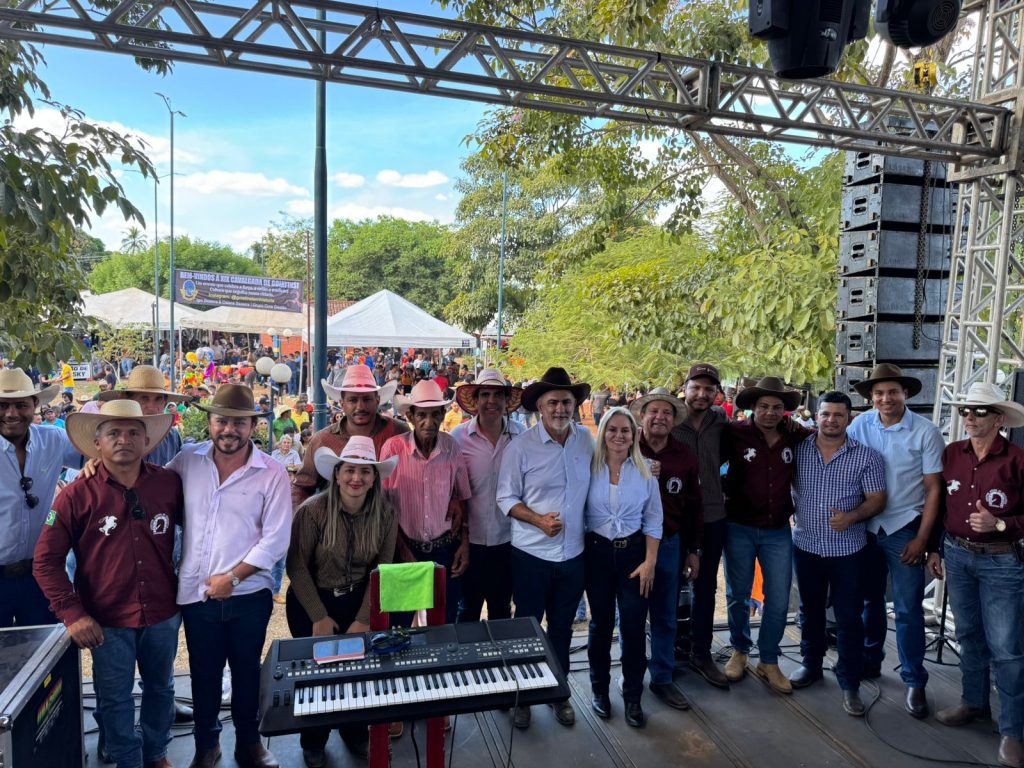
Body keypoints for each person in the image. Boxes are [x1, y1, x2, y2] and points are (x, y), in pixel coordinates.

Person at [33, 400, 181, 768]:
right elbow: (46, 561)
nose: (124, 440)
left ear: (147, 441)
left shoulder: (169, 484)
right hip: (106, 617)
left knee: (161, 688)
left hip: (162, 611)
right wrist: (72, 614)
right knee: (113, 696)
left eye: (133, 433)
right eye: (113, 433)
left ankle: (157, 752)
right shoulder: (76, 495)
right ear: (96, 444)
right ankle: (127, 758)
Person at [169, 384, 291, 768]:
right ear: (209, 421)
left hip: (249, 595)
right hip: (197, 593)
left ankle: (249, 744)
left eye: (239, 422)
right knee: (203, 677)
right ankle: (207, 746)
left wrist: (233, 578)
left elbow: (276, 540)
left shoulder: (271, 472)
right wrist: (95, 463)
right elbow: (148, 487)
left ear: (252, 425)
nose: (229, 429)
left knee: (246, 675)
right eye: (222, 420)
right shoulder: (187, 461)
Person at [927, 382, 1024, 768]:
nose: (969, 416)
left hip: (1002, 559)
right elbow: (937, 503)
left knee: (1007, 649)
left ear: (999, 419)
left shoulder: (1017, 459)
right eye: (966, 410)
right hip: (957, 553)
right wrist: (935, 547)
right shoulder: (952, 453)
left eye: (979, 411)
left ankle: (1013, 731)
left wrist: (999, 524)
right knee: (968, 633)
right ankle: (974, 702)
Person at [286, 438, 399, 766]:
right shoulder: (312, 511)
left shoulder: (386, 514)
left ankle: (353, 730)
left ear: (374, 477)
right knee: (316, 672)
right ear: (336, 474)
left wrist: (365, 616)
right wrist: (318, 615)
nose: (356, 478)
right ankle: (314, 739)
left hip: (358, 598)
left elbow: (384, 569)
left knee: (357, 669)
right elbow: (296, 565)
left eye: (365, 471)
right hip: (312, 600)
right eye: (349, 470)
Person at [497, 367, 593, 730]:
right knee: (527, 627)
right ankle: (522, 694)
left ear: (575, 405)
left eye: (567, 402)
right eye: (553, 402)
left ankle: (558, 693)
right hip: (531, 555)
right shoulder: (520, 447)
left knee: (563, 628)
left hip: (574, 555)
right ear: (539, 405)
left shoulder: (586, 441)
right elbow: (505, 497)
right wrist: (538, 520)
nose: (560, 409)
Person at [97, 364, 194, 725]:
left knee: (160, 645)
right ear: (129, 400)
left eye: (157, 399)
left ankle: (160, 712)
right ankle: (113, 732)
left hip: (160, 548)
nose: (151, 405)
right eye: (143, 398)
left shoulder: (172, 437)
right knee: (114, 664)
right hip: (115, 551)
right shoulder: (110, 435)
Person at [847, 363, 944, 718]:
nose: (886, 398)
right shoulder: (859, 425)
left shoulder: (925, 432)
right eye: (879, 393)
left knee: (907, 609)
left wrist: (923, 538)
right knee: (868, 601)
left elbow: (935, 490)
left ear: (906, 394)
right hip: (867, 527)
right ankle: (871, 660)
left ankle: (914, 680)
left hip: (906, 527)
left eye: (892, 392)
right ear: (871, 397)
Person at [789, 392, 887, 717]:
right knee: (810, 610)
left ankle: (850, 683)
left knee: (848, 618)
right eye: (826, 414)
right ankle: (811, 665)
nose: (831, 420)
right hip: (806, 547)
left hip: (848, 551)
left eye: (838, 415)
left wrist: (852, 516)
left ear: (849, 418)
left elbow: (877, 499)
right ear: (817, 416)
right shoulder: (799, 451)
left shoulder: (866, 456)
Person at [721, 376, 810, 694]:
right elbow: (707, 463)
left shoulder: (795, 434)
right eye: (763, 406)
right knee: (737, 595)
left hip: (777, 531)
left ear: (785, 411)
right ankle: (740, 651)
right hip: (739, 527)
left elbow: (825, 441)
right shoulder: (733, 433)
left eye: (776, 407)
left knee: (778, 597)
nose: (770, 412)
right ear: (753, 407)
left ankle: (769, 659)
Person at [584, 407, 662, 728]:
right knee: (600, 626)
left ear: (635, 435)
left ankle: (632, 697)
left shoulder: (645, 473)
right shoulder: (588, 469)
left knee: (632, 627)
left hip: (632, 554)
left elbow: (654, 519)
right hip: (597, 553)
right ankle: (599, 690)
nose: (619, 435)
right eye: (612, 429)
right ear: (603, 433)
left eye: (625, 430)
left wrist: (650, 562)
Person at [631, 388, 702, 711]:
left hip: (671, 542)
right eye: (653, 411)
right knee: (630, 614)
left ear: (674, 420)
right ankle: (630, 676)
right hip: (631, 544)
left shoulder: (684, 455)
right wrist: (639, 470)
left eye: (666, 413)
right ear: (642, 416)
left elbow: (693, 506)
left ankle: (662, 677)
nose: (659, 417)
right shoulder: (624, 445)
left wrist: (693, 550)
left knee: (665, 614)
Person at [380, 379, 471, 625]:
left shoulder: (452, 446)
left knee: (444, 622)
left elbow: (463, 499)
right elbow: (383, 508)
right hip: (404, 548)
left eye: (434, 414)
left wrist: (464, 544)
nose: (428, 422)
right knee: (399, 626)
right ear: (411, 416)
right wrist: (400, 549)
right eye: (421, 415)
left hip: (445, 549)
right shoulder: (393, 449)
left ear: (443, 415)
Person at [0, 369, 80, 627]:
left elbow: (96, 453)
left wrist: (94, 464)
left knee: (50, 650)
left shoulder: (53, 439)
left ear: (35, 405)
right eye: (2, 405)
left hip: (40, 573)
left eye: (21, 405)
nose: (11, 413)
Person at [670, 363, 730, 688]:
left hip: (712, 516)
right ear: (685, 388)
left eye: (709, 389)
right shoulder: (669, 420)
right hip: (674, 519)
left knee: (706, 587)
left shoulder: (720, 421)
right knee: (668, 587)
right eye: (697, 387)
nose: (702, 394)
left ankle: (701, 653)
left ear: (716, 393)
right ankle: (666, 653)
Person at [450, 369, 525, 622]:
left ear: (506, 401)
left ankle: (499, 661)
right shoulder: (457, 437)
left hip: (509, 540)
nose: (491, 401)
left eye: (497, 395)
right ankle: (468, 663)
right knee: (468, 609)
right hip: (469, 541)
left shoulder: (521, 436)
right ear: (476, 399)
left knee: (501, 609)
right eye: (485, 395)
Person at [292, 365, 404, 508]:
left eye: (367, 399)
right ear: (342, 403)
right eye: (352, 400)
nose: (360, 407)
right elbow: (302, 486)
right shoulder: (322, 440)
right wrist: (302, 522)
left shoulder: (398, 431)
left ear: (377, 400)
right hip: (336, 525)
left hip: (389, 525)